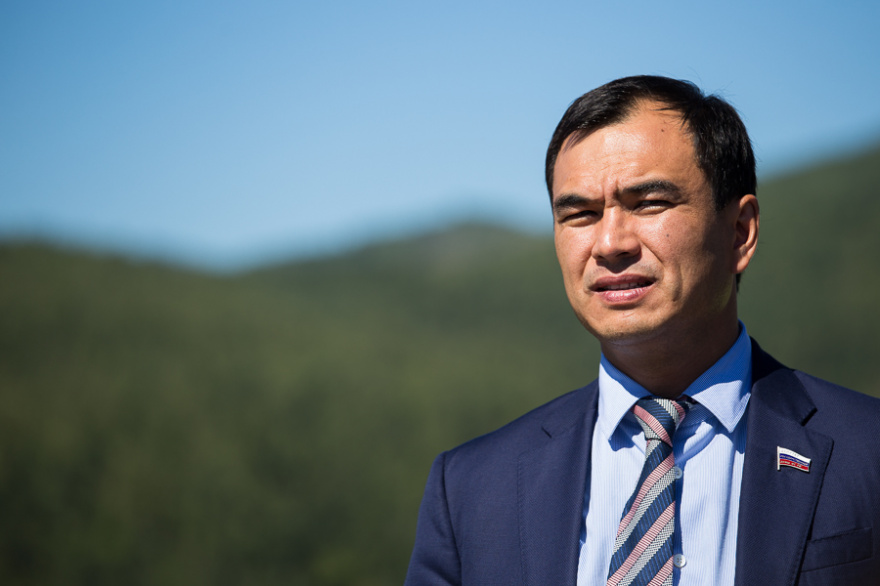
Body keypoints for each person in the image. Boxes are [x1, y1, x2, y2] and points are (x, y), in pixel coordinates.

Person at [403, 75, 880, 586]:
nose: (610, 243)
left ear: (740, 232)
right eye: (579, 214)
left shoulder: (866, 452)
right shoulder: (471, 490)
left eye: (649, 203)